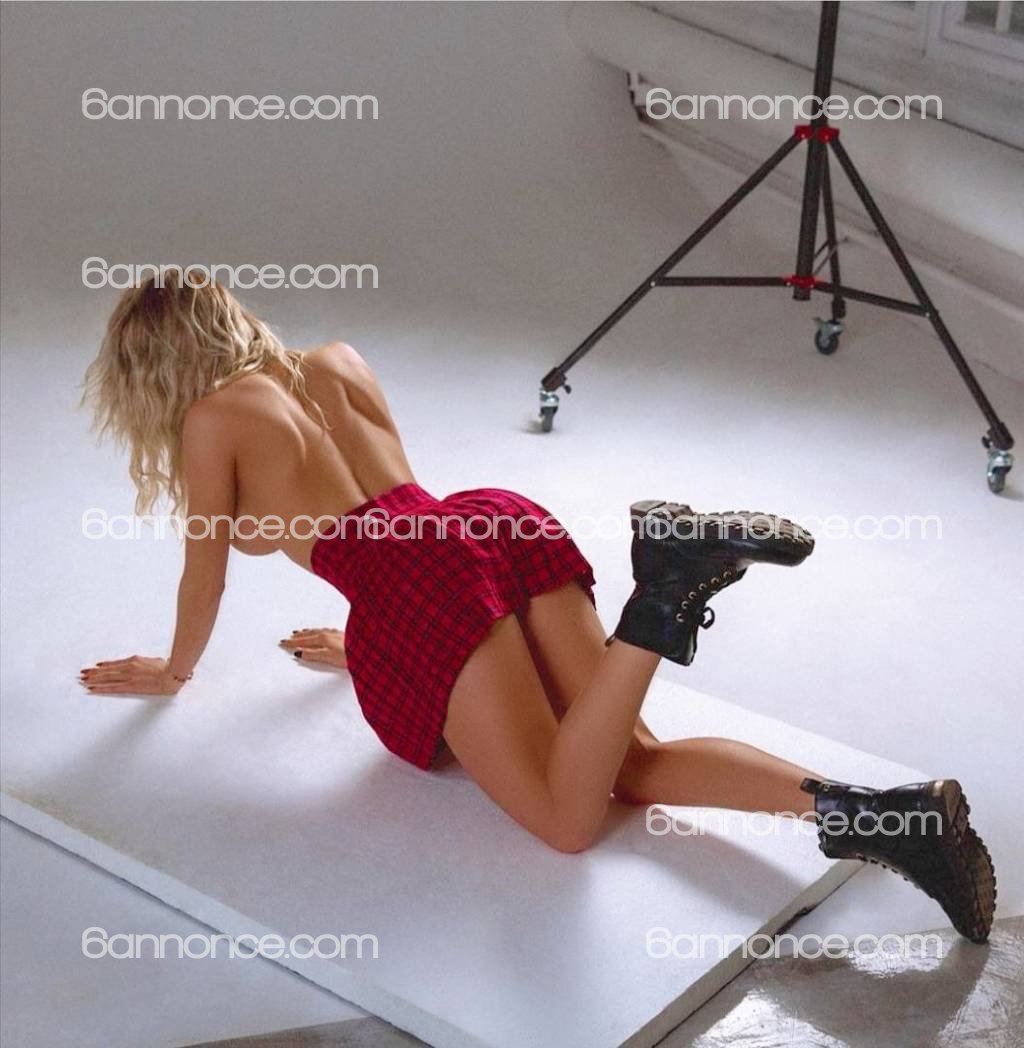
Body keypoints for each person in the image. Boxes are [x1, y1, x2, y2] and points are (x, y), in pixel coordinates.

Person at [79, 273, 995, 943]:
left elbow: (209, 575)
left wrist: (175, 670)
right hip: (486, 523)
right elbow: (397, 514)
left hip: (420, 584)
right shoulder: (334, 362)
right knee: (631, 763)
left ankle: (663, 595)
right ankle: (891, 817)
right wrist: (370, 644)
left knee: (567, 819)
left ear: (150, 365)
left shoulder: (213, 418)